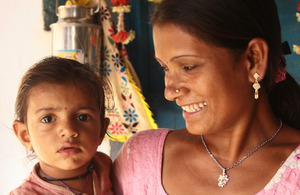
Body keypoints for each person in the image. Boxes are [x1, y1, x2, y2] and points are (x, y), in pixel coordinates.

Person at [112, 0, 300, 194]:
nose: (169, 92)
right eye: (165, 68)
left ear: (254, 59)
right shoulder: (140, 159)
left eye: (188, 67)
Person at [10, 56, 114, 195]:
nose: (69, 130)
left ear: (102, 130)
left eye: (82, 117)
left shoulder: (105, 168)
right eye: (48, 119)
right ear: (25, 136)